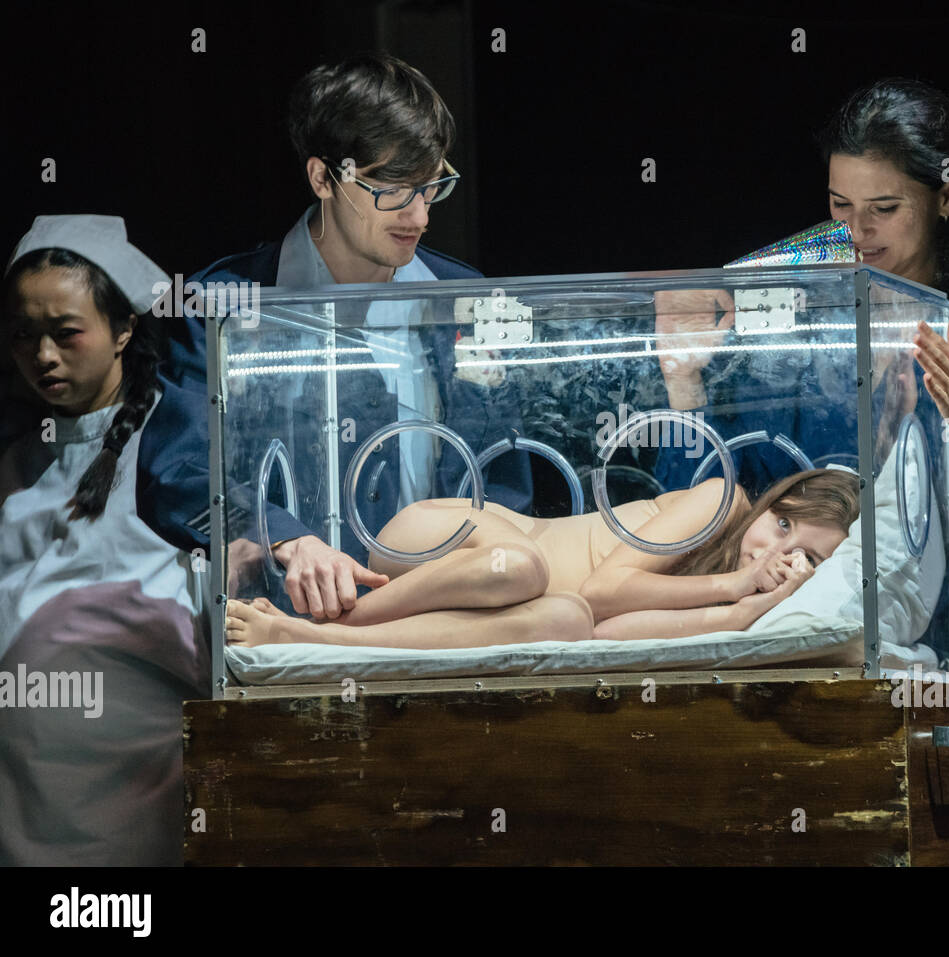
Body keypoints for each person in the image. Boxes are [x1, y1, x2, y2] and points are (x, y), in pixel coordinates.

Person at [653, 78, 949, 866]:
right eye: (841, 205)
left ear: (946, 198)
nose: (858, 231)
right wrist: (686, 384)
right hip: (815, 687)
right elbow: (714, 516)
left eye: (885, 206)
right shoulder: (808, 338)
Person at [164, 52, 532, 617]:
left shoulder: (464, 298)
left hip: (443, 619)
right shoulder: (224, 304)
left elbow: (505, 479)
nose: (420, 216)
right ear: (323, 177)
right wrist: (279, 536)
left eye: (431, 187)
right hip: (282, 621)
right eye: (393, 190)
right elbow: (177, 471)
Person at [0, 215, 317, 864]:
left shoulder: (172, 444)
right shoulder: (15, 464)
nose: (44, 356)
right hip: (26, 798)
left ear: (122, 330)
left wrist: (288, 544)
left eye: (65, 333)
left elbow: (242, 542)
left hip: (136, 797)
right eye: (24, 336)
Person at [225, 468, 859, 649]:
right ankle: (334, 625)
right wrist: (738, 584)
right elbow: (611, 587)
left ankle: (307, 639)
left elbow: (605, 626)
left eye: (801, 554)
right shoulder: (723, 501)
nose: (773, 549)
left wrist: (753, 608)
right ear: (771, 500)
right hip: (448, 542)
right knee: (525, 568)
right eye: (781, 523)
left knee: (565, 624)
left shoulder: (734, 593)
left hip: (498, 593)